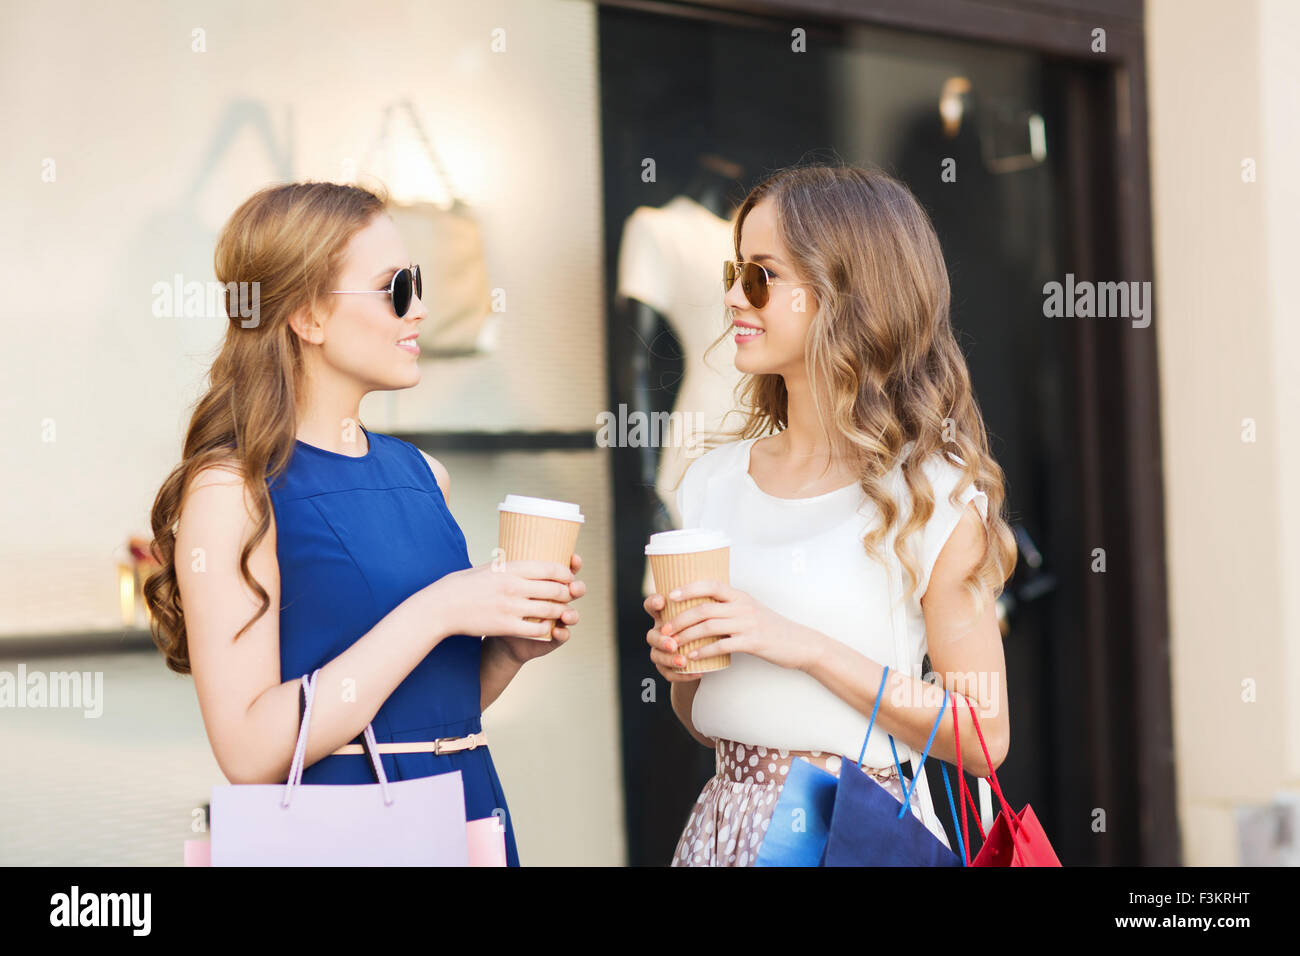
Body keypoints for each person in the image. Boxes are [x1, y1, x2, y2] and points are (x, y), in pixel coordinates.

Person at [144, 181, 584, 866]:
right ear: (309, 315)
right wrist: (440, 609)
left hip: (466, 809)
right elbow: (248, 750)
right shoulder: (233, 491)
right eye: (396, 288)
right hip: (343, 834)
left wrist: (506, 649)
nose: (422, 309)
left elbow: (431, 711)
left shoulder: (421, 473)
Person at [644, 163, 1018, 866]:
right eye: (735, 271)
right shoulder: (712, 485)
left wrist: (804, 645)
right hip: (726, 825)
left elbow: (983, 733)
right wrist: (683, 668)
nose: (733, 297)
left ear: (845, 293)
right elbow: (704, 721)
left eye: (761, 276)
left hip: (856, 830)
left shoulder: (933, 493)